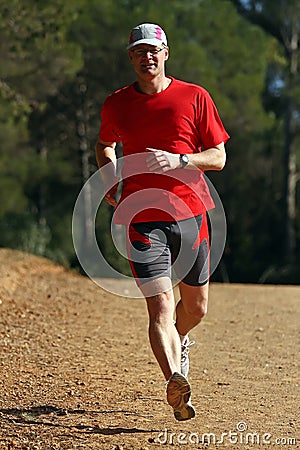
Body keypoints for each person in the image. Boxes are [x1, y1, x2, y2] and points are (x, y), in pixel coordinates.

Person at [95, 23, 229, 421]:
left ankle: (180, 337)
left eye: (153, 50)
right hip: (141, 220)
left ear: (165, 53)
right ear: (130, 57)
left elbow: (218, 157)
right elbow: (105, 143)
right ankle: (175, 381)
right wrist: (110, 177)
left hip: (191, 216)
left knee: (196, 308)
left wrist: (183, 161)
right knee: (159, 308)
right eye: (139, 51)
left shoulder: (194, 97)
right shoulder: (117, 103)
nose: (146, 57)